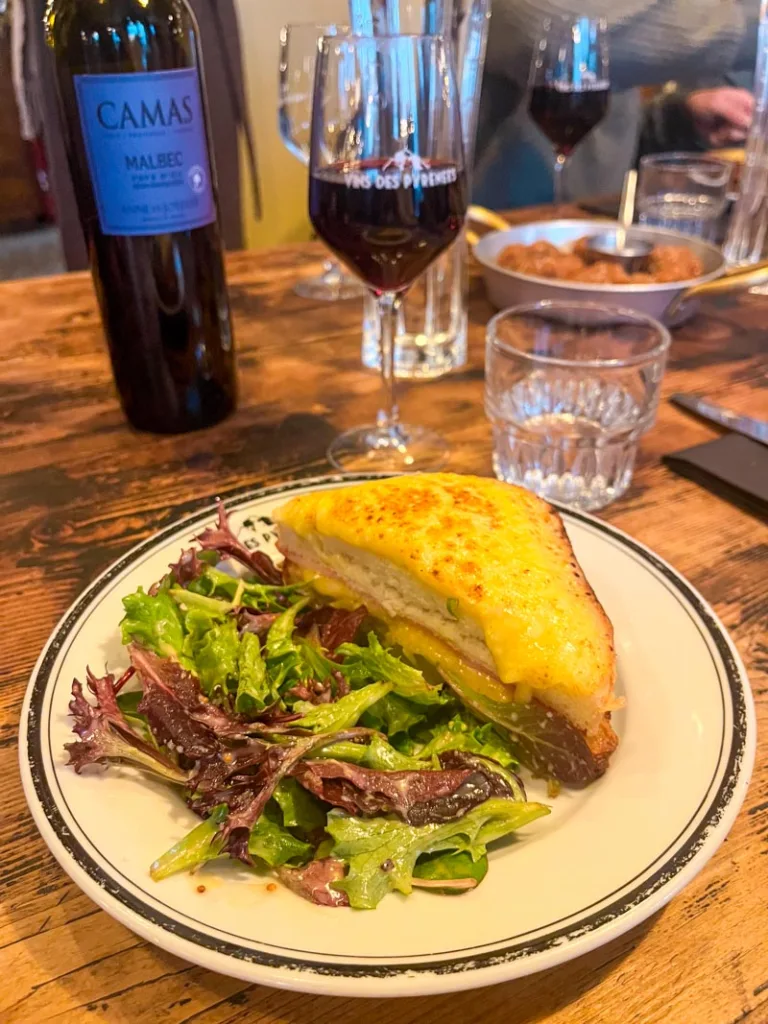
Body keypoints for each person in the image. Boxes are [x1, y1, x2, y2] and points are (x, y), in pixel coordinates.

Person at [473, 1, 760, 209]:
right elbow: (553, 27)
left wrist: (677, 120)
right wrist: (757, 25)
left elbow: (598, 126)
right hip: (488, 243)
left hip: (591, 237)